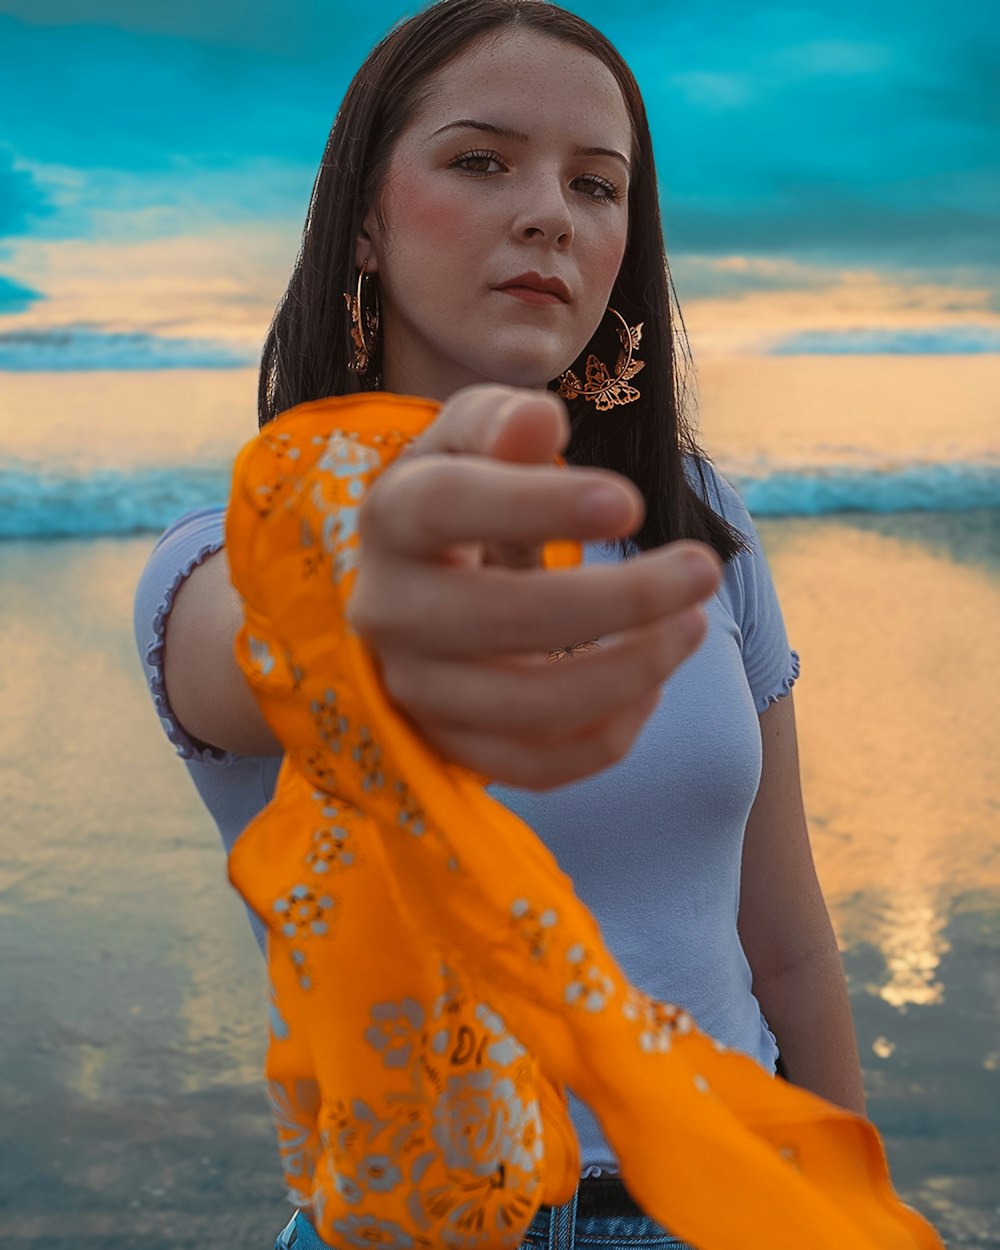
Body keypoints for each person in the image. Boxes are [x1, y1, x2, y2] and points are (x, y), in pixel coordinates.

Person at [133, 2, 867, 1246]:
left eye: (597, 185)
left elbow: (785, 938)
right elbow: (259, 636)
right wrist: (377, 608)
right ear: (364, 219)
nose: (550, 214)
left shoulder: (694, 523)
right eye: (482, 161)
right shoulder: (224, 562)